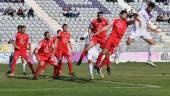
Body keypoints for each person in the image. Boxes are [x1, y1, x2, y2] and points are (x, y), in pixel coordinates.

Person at [93, 10, 132, 78]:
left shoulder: (126, 22)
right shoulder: (115, 20)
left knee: (108, 56)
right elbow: (107, 27)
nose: (125, 16)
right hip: (111, 38)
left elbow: (132, 21)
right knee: (104, 51)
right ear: (120, 14)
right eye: (124, 14)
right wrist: (98, 31)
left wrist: (135, 17)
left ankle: (100, 67)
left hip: (117, 41)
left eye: (126, 15)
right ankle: (96, 66)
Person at [126, 2, 161, 67]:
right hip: (136, 29)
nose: (150, 9)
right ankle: (117, 54)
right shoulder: (141, 9)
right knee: (128, 43)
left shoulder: (150, 16)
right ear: (147, 6)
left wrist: (154, 30)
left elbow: (148, 26)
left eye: (151, 8)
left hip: (144, 31)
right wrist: (137, 19)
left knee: (153, 42)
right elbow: (135, 15)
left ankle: (149, 60)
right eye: (150, 7)